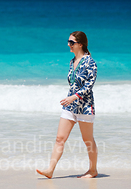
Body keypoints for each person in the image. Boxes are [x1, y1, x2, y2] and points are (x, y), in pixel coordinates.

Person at [37, 31, 98, 179]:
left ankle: (93, 170)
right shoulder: (72, 62)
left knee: (88, 140)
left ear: (80, 44)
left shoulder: (91, 62)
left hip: (84, 106)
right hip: (70, 106)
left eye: (71, 42)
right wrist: (70, 99)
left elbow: (89, 85)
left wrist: (74, 97)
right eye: (68, 42)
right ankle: (50, 170)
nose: (68, 45)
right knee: (60, 138)